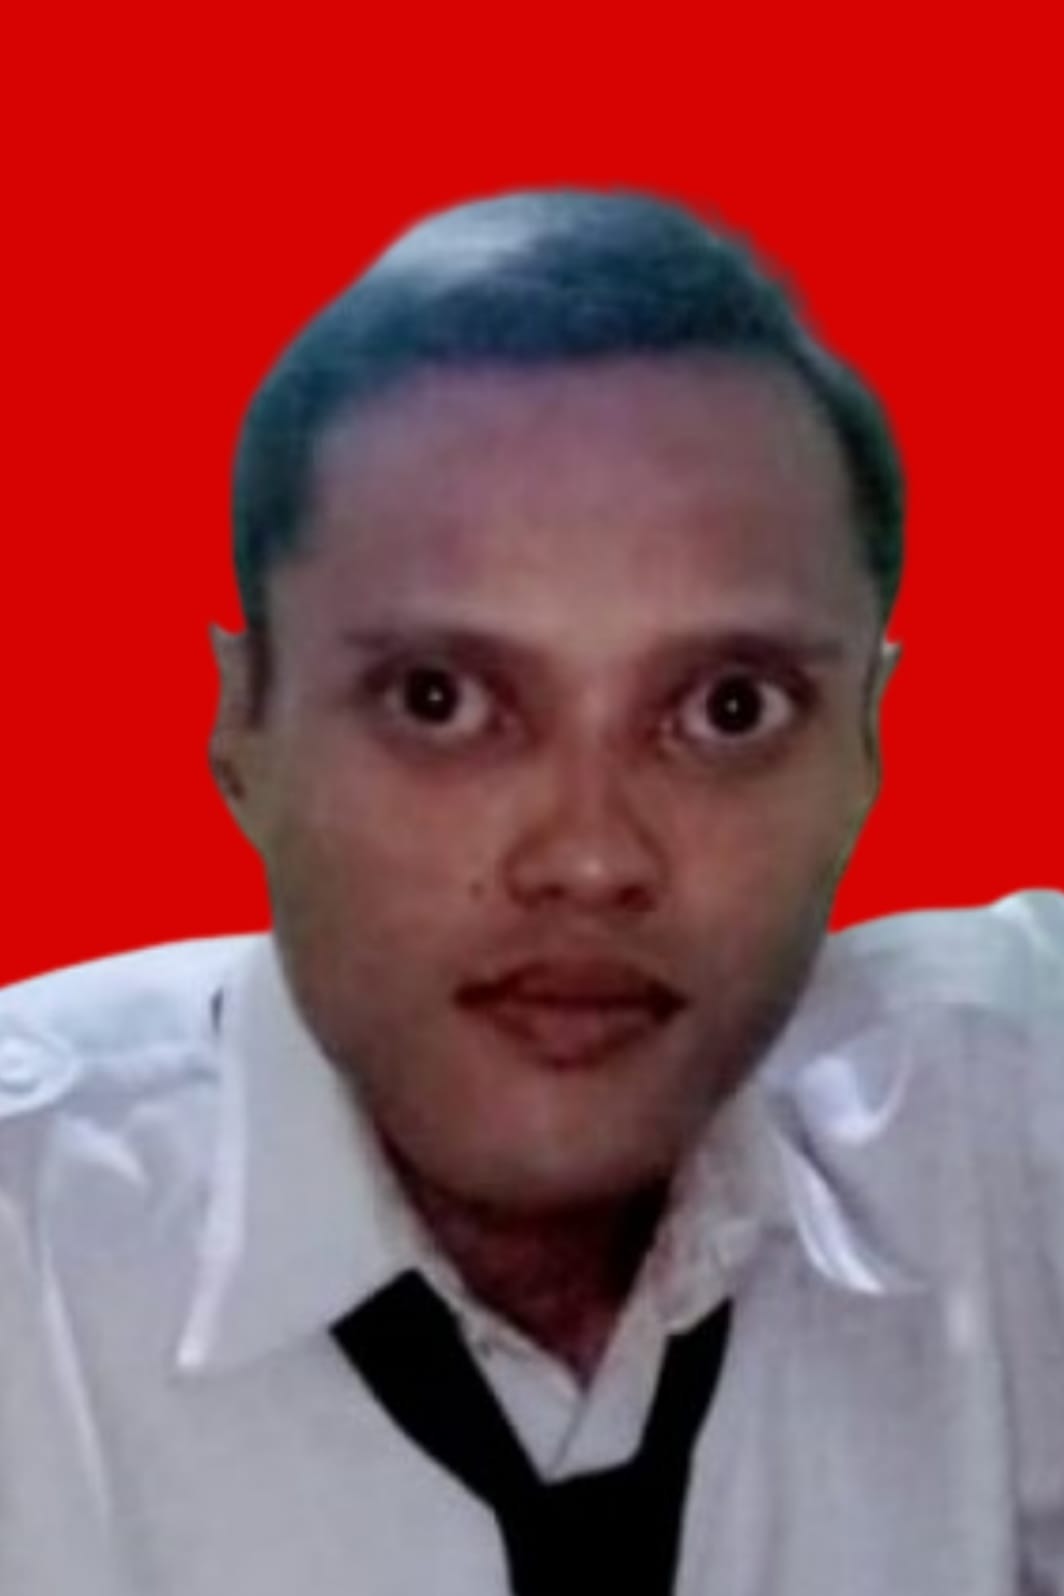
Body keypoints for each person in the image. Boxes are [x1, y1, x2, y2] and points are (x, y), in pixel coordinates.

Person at [0, 188, 1060, 1596]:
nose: (590, 858)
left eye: (728, 709)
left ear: (869, 741)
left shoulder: (1000, 1153)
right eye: (440, 700)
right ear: (242, 727)